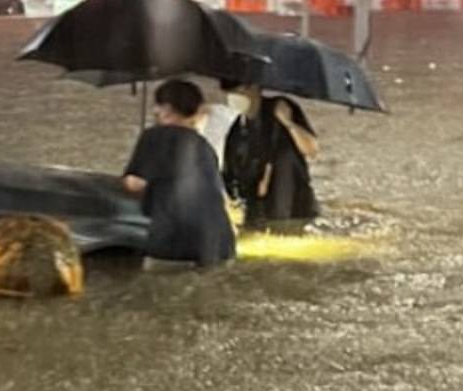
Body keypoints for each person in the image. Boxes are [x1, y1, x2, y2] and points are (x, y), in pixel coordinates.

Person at [122, 79, 235, 269]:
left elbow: (134, 183)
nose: (155, 111)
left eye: (157, 105)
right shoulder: (205, 146)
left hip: (175, 244)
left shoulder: (154, 136)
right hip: (221, 244)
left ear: (166, 108)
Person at [219, 80, 320, 227]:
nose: (233, 97)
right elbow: (231, 182)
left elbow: (312, 150)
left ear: (254, 88)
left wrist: (288, 123)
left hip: (294, 209)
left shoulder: (281, 109)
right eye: (230, 93)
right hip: (257, 215)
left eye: (238, 91)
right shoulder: (237, 131)